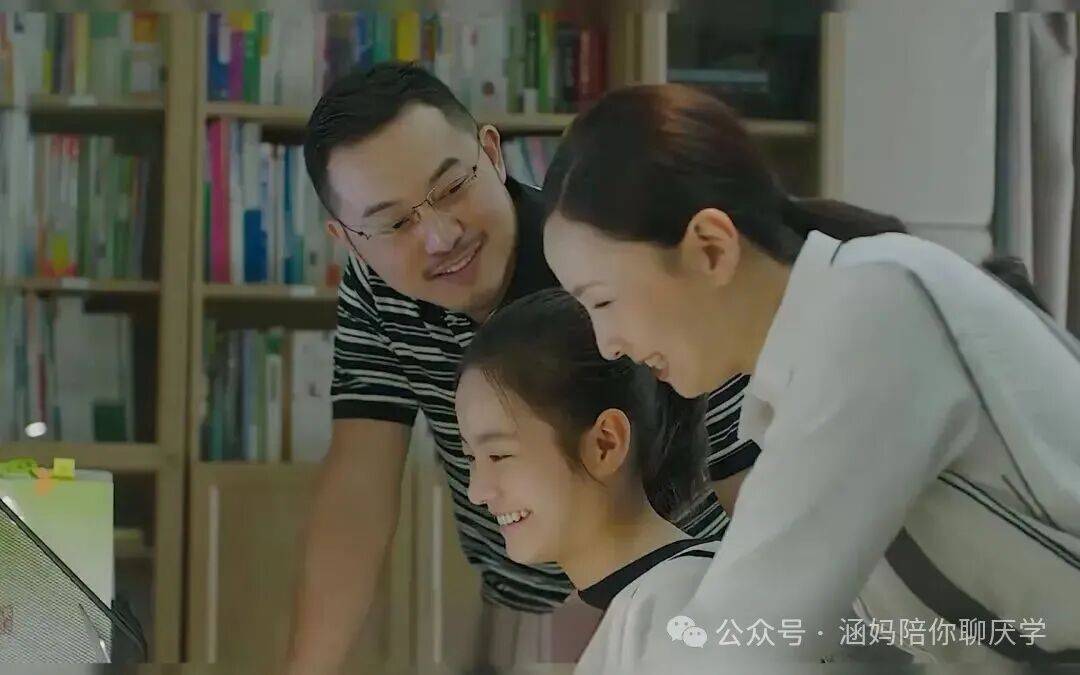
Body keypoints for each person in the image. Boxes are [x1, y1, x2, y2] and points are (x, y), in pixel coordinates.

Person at [540, 83, 1080, 669]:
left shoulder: (874, 313)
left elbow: (738, 642)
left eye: (603, 301)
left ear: (711, 249)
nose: (608, 344)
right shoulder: (796, 385)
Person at [288, 63, 755, 673]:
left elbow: (750, 482)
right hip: (519, 610)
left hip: (684, 605)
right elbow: (358, 490)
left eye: (450, 188)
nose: (440, 237)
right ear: (348, 239)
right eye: (394, 223)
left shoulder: (611, 256)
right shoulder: (377, 289)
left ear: (491, 152)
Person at [457, 288, 723, 671]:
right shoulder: (636, 605)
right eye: (471, 458)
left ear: (605, 444)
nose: (477, 491)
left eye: (498, 455)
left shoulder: (680, 609)